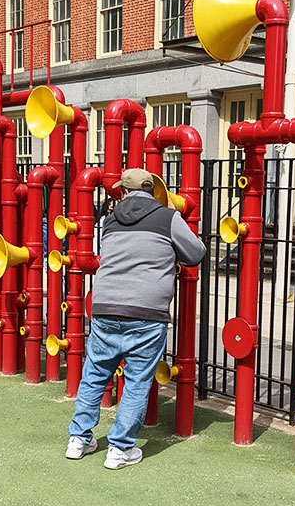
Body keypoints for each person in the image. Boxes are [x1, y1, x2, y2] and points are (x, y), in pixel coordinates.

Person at [66, 169, 206, 469]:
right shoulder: (168, 218)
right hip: (146, 311)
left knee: (94, 375)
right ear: (152, 190)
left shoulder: (111, 220)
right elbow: (196, 253)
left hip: (104, 306)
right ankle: (120, 450)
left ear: (125, 192)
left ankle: (78, 439)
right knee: (137, 381)